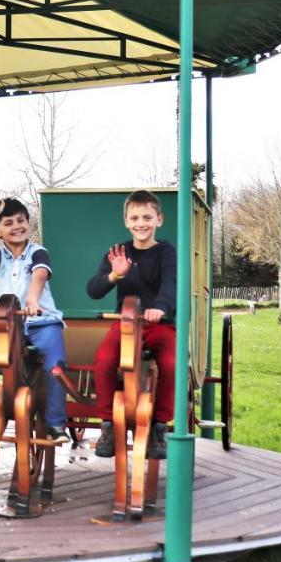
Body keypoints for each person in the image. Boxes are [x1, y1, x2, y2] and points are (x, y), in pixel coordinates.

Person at [85, 190, 177, 459]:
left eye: (147, 217)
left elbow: (171, 283)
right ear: (126, 221)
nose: (141, 223)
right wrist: (114, 274)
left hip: (159, 325)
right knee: (103, 360)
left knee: (171, 364)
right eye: (135, 217)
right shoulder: (118, 253)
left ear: (159, 219)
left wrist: (159, 308)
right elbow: (93, 290)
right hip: (125, 325)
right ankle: (108, 425)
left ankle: (159, 427)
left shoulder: (166, 252)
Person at [0, 192, 68, 440]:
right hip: (9, 326)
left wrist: (33, 299)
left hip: (42, 322)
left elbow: (39, 275)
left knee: (55, 363)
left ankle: (56, 423)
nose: (17, 227)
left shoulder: (38, 252)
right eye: (8, 223)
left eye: (21, 220)